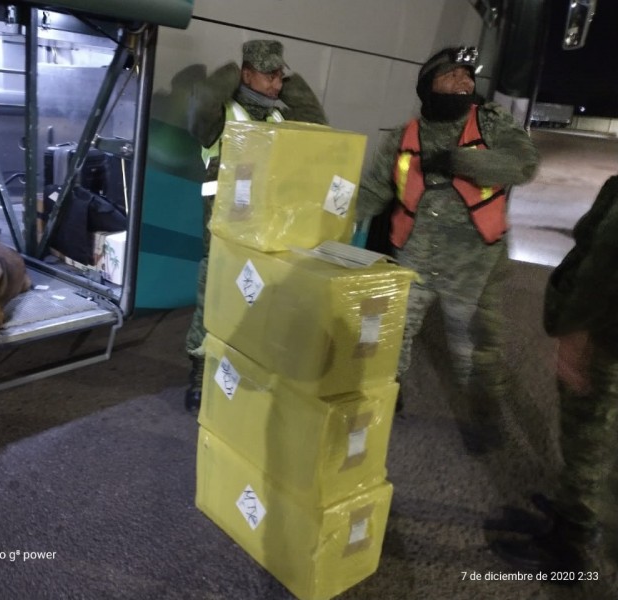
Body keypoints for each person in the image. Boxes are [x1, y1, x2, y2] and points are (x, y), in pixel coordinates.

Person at [355, 46, 539, 450]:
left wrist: (458, 161)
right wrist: (328, 225)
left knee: (473, 348)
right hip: (414, 254)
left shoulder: (490, 122)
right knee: (391, 335)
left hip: (474, 261)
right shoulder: (404, 136)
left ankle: (485, 418)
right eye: (452, 74)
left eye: (468, 75)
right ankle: (387, 399)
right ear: (429, 85)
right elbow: (374, 191)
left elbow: (523, 164)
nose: (464, 82)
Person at [183, 39, 328, 412]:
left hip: (267, 232)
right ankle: (199, 372)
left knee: (259, 303)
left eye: (280, 76)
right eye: (269, 75)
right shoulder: (222, 116)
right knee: (212, 302)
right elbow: (198, 108)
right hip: (223, 233)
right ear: (246, 75)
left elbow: (318, 126)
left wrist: (291, 85)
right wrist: (231, 73)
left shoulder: (279, 119)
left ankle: (246, 371)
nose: (276, 84)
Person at [491, 175, 618, 574]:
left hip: (606, 336)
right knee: (589, 433)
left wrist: (577, 332)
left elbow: (606, 266)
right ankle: (571, 510)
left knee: (589, 436)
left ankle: (571, 541)